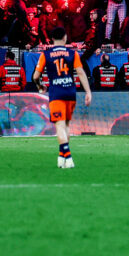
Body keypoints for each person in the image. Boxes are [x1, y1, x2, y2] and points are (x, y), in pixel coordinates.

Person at [32, 26, 93, 169]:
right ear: (65, 38)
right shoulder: (73, 53)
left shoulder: (45, 54)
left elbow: (35, 76)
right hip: (70, 92)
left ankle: (68, 156)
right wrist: (88, 92)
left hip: (56, 93)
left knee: (59, 125)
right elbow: (81, 73)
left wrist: (40, 86)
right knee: (66, 125)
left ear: (52, 39)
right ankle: (61, 156)